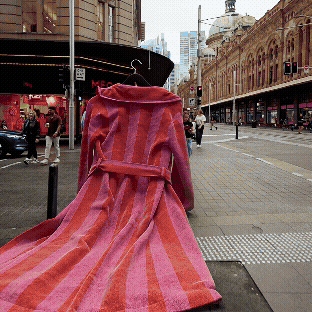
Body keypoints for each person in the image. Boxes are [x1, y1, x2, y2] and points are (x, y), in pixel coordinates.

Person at [0, 84, 221, 311]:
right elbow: (181, 160)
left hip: (104, 186)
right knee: (163, 248)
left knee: (78, 241)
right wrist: (185, 199)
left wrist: (84, 191)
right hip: (151, 190)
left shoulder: (100, 102)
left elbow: (87, 151)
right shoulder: (169, 106)